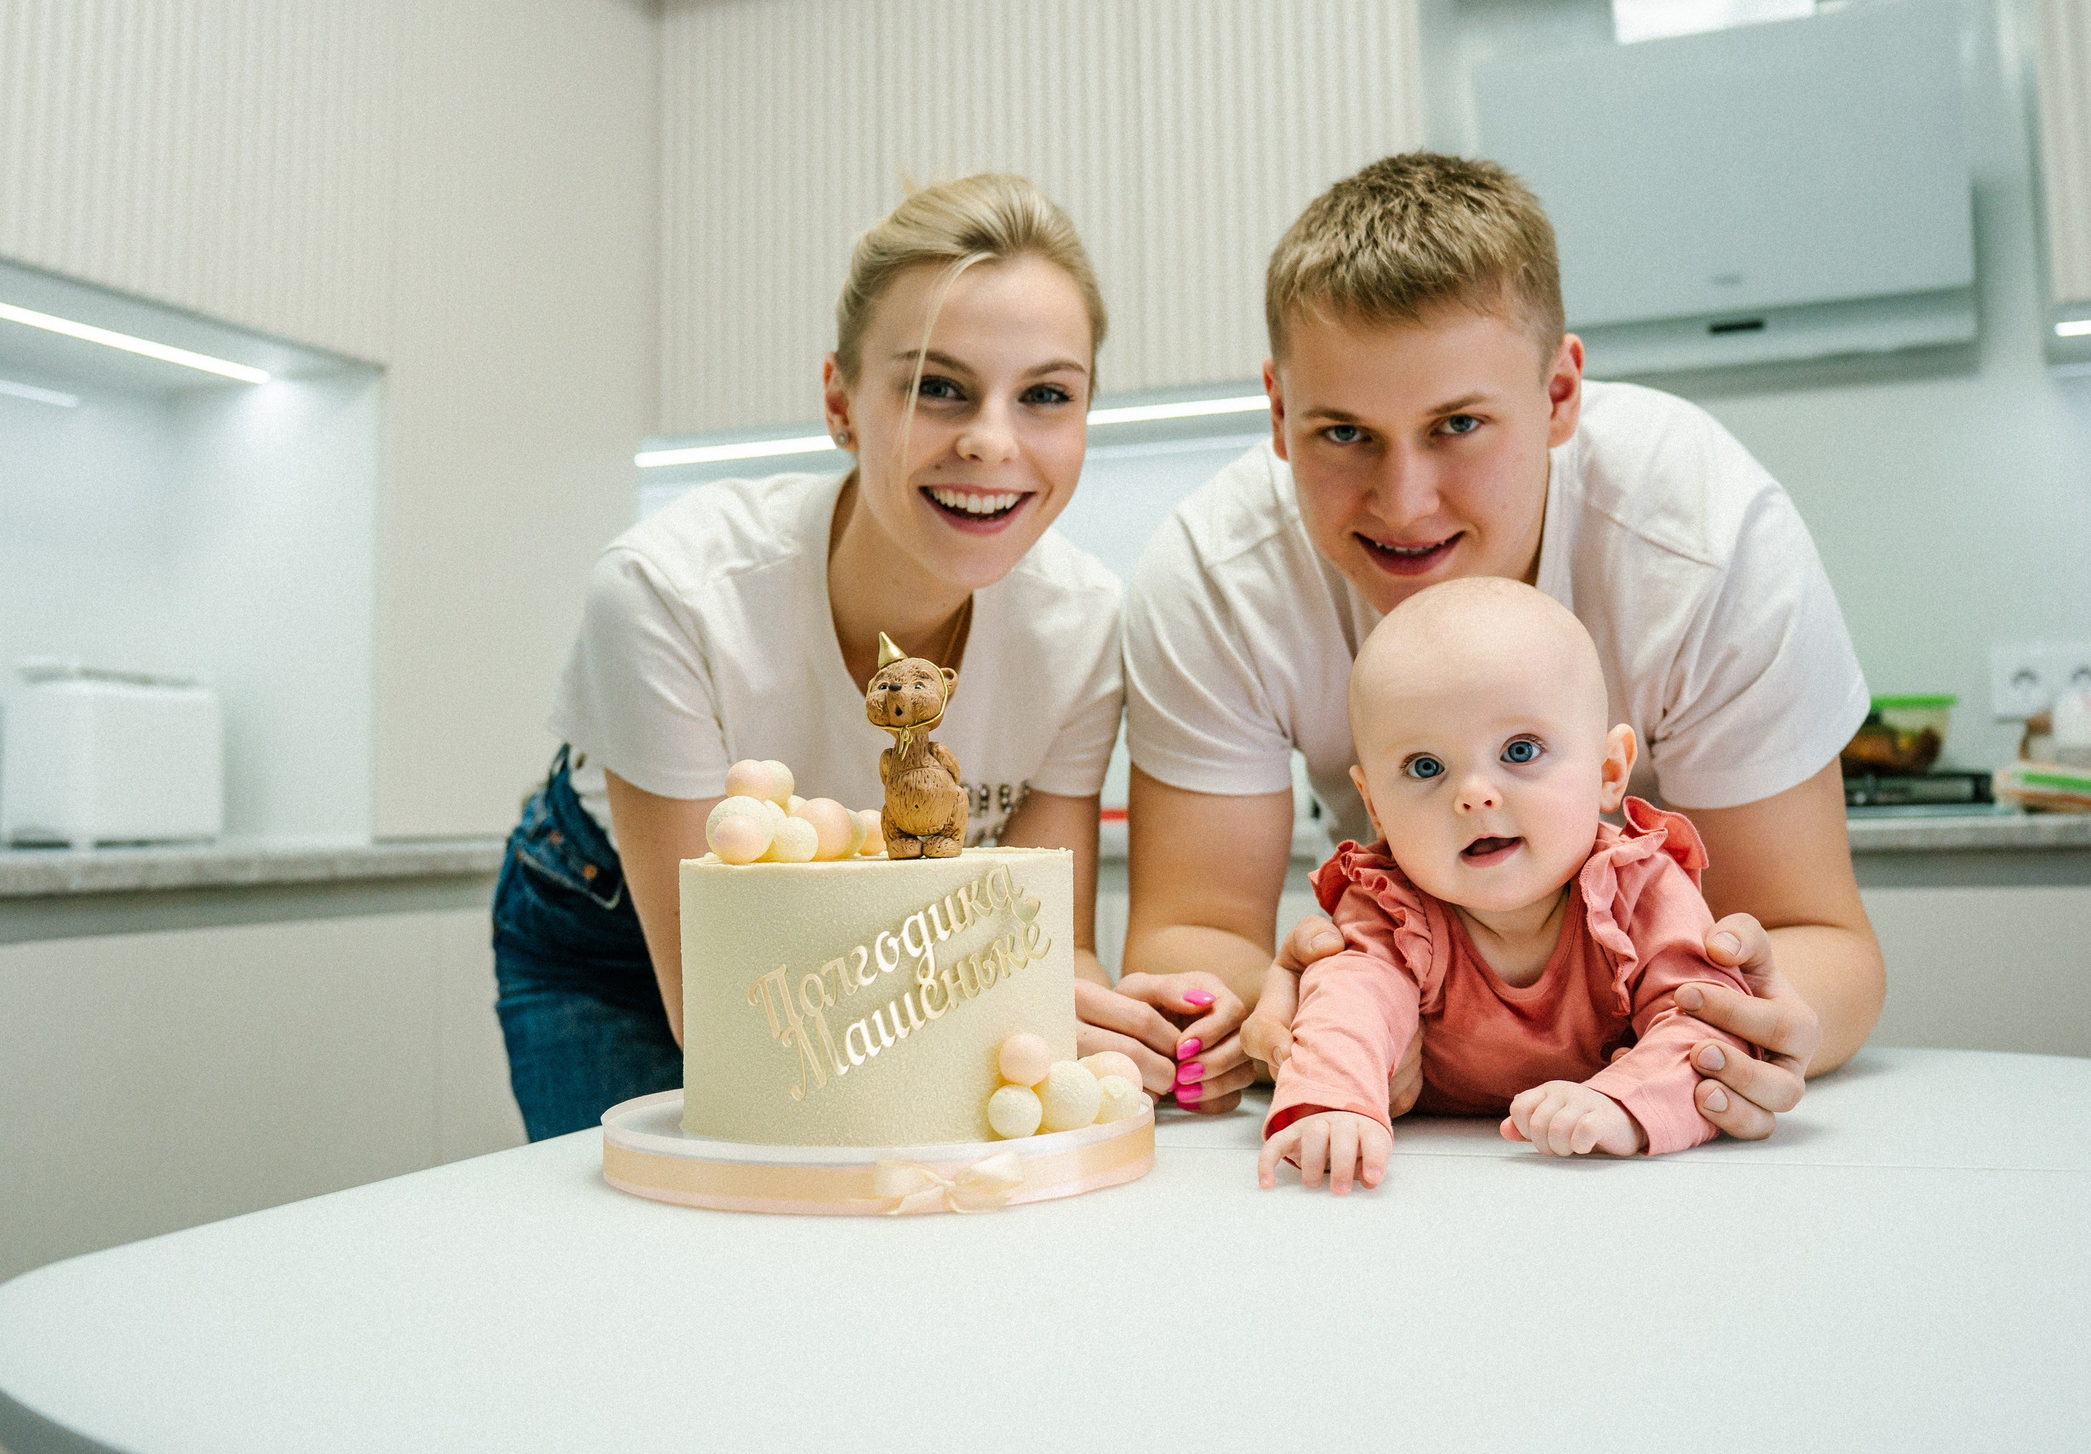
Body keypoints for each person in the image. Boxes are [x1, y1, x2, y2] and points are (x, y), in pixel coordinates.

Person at [1123, 152, 1884, 1131]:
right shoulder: (1215, 580)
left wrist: (1750, 1029)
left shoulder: (1703, 539)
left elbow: (1814, 936)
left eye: (1459, 425)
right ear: (1276, 410)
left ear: (1561, 393)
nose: (1402, 501)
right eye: (1342, 435)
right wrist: (1301, 1021)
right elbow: (1195, 935)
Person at [492, 173, 1227, 1140]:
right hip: (622, 936)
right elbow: (721, 1018)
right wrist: (1018, 998)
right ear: (841, 400)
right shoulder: (668, 592)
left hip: (900, 963)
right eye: (937, 387)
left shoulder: (1082, 627)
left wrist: (1130, 1031)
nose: (992, 441)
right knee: (673, 1242)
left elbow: (1051, 946)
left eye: (1047, 394)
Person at [1256, 578, 1754, 1193]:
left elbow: (1705, 1021)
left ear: (1609, 772)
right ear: (1375, 807)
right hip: (1446, 1184)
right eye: (1425, 767)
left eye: (1520, 750)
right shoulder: (1390, 905)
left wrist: (1626, 1105)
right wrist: (1332, 1102)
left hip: (1598, 1193)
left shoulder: (1641, 887)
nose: (1474, 795)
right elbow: (1348, 1006)